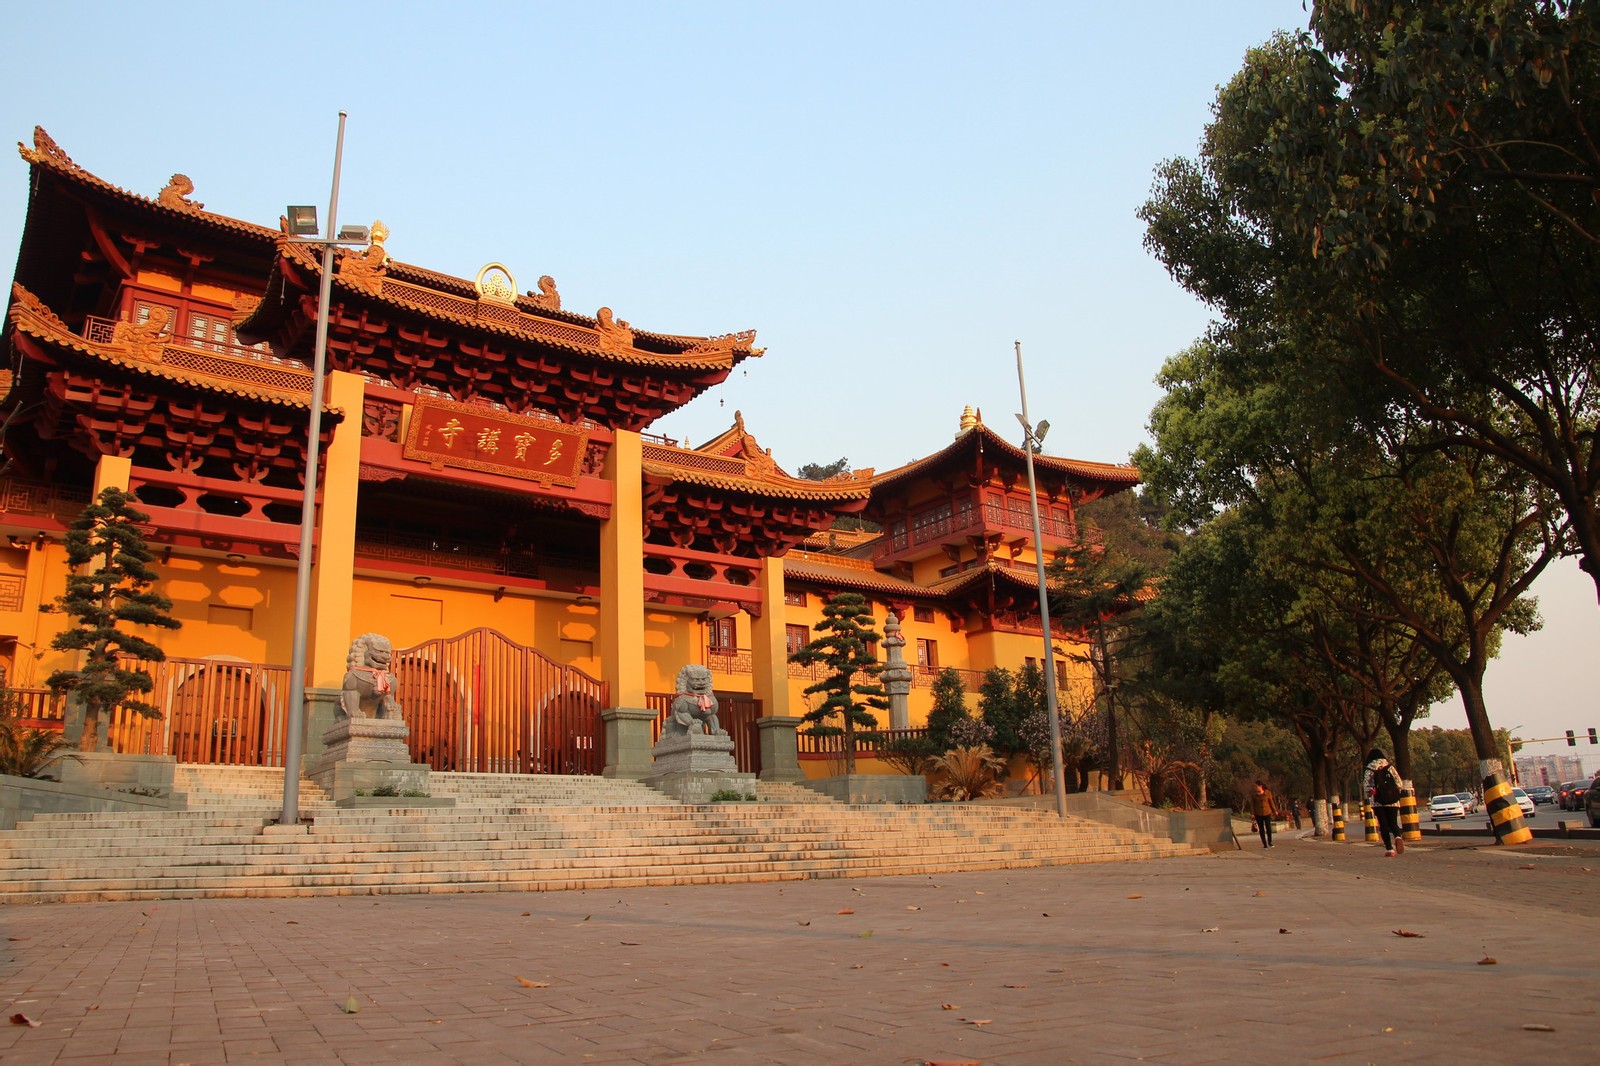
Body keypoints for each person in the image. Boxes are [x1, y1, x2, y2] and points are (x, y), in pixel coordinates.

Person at [1363, 748, 1406, 857]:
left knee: (1383, 825)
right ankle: (1398, 837)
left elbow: (1366, 787)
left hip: (1378, 801)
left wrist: (1369, 794)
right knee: (1393, 822)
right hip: (1392, 801)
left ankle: (1389, 849)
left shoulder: (1369, 768)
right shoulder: (1390, 767)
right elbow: (1399, 783)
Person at [1250, 780, 1278, 848]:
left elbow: (1271, 802)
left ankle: (1270, 841)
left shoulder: (1268, 793)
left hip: (1267, 812)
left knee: (1268, 827)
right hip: (1258, 813)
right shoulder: (1253, 795)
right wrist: (1253, 813)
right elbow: (1252, 805)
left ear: (1260, 786)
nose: (1255, 788)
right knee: (1261, 829)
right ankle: (1264, 843)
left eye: (1256, 786)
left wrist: (1274, 811)